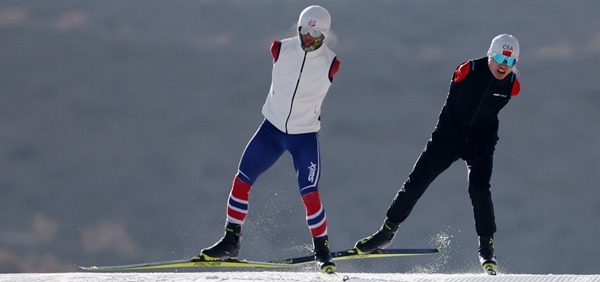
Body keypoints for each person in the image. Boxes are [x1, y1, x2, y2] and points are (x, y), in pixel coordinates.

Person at [353, 34, 521, 275]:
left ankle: (487, 249)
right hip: (448, 137)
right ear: (489, 54)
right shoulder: (469, 69)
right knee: (416, 182)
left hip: (481, 141)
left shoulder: (512, 85)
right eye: (499, 57)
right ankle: (386, 232)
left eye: (510, 60)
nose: (503, 65)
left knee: (480, 188)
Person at [194, 5, 340, 273]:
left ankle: (322, 250)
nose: (309, 36)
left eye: (315, 32)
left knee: (309, 194)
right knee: (241, 181)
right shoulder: (280, 49)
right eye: (305, 30)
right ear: (298, 28)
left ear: (324, 34)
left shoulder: (331, 63)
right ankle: (231, 241)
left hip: (303, 136)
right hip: (271, 131)